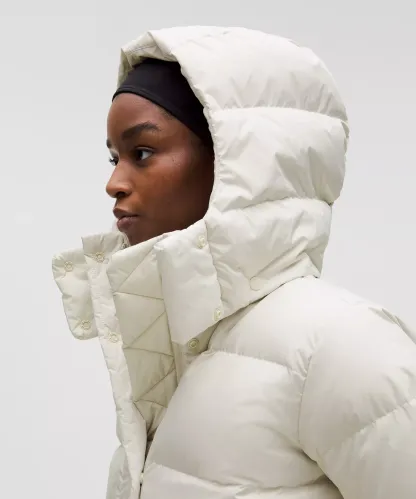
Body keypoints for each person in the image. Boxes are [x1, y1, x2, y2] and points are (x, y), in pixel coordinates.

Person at [52, 26, 416, 499]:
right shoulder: (170, 358)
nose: (114, 183)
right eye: (114, 158)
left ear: (235, 162)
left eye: (142, 152)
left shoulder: (342, 346)